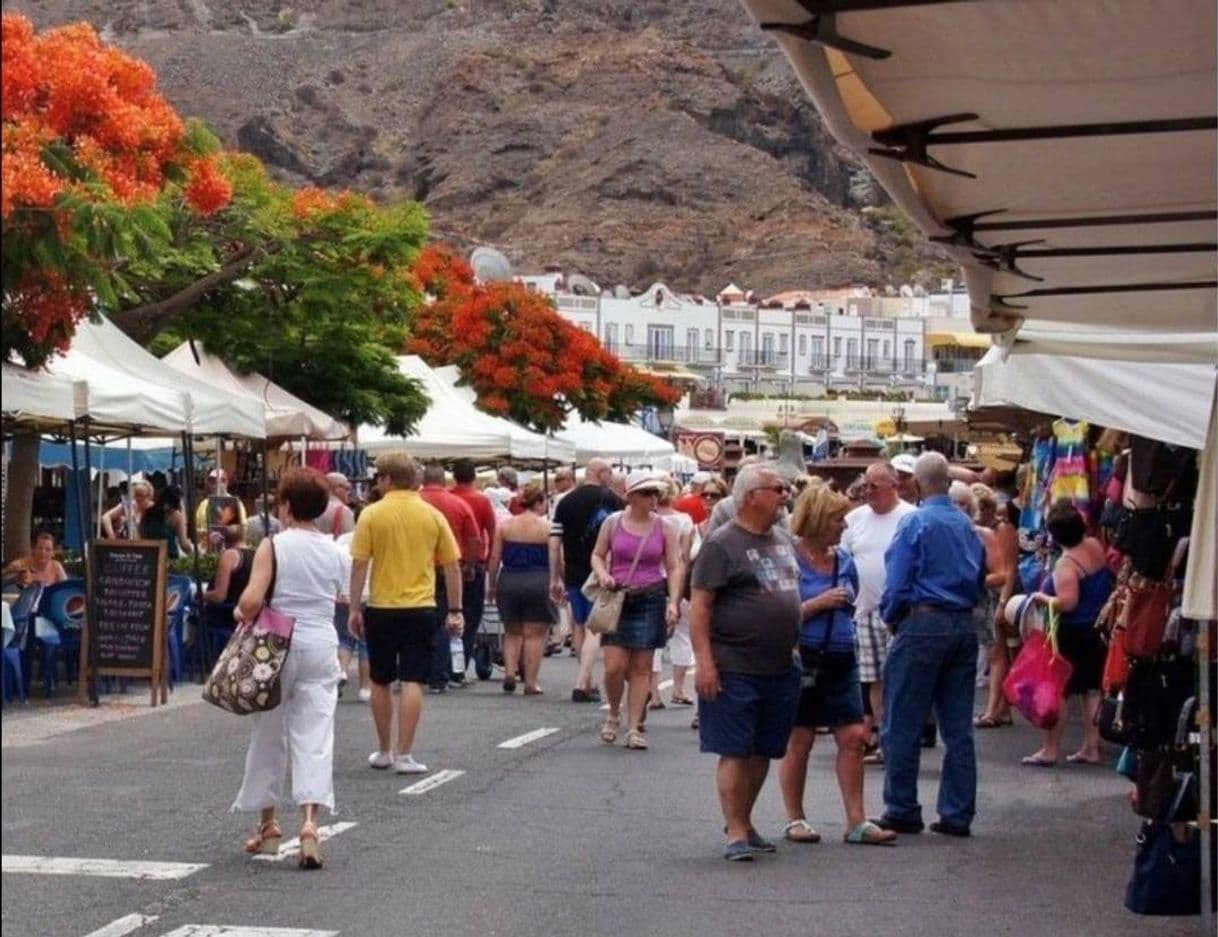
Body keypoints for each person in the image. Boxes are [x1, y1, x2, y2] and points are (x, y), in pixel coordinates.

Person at [231, 467, 345, 870]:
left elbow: (250, 602)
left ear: (288, 505)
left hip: (275, 644)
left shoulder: (274, 545)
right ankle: (310, 824)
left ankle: (269, 825)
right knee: (315, 734)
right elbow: (343, 596)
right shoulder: (335, 550)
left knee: (269, 733)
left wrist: (241, 609)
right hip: (320, 642)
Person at [690, 463, 802, 861]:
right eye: (779, 488)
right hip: (734, 663)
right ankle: (735, 830)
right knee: (735, 749)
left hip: (780, 665)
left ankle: (745, 819)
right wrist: (705, 663)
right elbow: (700, 606)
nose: (786, 495)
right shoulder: (722, 544)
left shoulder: (782, 540)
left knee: (763, 750)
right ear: (752, 496)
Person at [778, 485, 897, 846]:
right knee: (801, 738)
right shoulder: (789, 559)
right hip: (806, 655)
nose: (843, 525)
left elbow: (853, 596)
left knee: (854, 737)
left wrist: (835, 606)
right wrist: (819, 603)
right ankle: (795, 818)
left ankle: (856, 820)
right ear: (815, 519)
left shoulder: (843, 559)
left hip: (842, 653)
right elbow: (778, 615)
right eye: (835, 518)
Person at [876, 452, 985, 838]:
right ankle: (957, 812)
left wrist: (891, 615)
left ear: (918, 485)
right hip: (962, 622)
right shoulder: (966, 525)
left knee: (902, 720)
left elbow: (898, 579)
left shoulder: (916, 522)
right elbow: (980, 575)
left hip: (924, 621)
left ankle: (903, 807)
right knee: (958, 727)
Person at [347, 452, 462, 775]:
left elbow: (359, 564)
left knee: (381, 679)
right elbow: (451, 565)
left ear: (386, 479)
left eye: (378, 478)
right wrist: (455, 608)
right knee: (414, 679)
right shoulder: (432, 515)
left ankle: (384, 749)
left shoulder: (371, 515)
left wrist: (355, 607)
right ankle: (405, 753)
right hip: (421, 606)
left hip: (382, 606)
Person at [589, 471, 682, 749]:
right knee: (614, 666)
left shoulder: (665, 527)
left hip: (650, 596)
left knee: (642, 666)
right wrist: (603, 573)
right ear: (630, 497)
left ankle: (633, 728)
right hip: (618, 598)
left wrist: (674, 601)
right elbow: (597, 554)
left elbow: (674, 565)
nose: (654, 498)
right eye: (647, 493)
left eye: (656, 493)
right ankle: (614, 714)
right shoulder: (613, 522)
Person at [1023, 499, 1115, 766]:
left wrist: (1042, 597)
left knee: (1059, 690)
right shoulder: (1095, 546)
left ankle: (1050, 749)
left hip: (1074, 631)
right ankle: (1091, 747)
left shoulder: (1066, 563)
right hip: (1097, 627)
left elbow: (1068, 601)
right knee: (1092, 689)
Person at [841, 462, 916, 766]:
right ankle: (886, 742)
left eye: (874, 486)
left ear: (893, 485)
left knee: (901, 681)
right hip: (864, 610)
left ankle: (901, 742)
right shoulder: (854, 519)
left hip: (901, 612)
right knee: (874, 682)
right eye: (865, 486)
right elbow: (842, 560)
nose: (867, 492)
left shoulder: (911, 517)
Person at [549, 457, 623, 703]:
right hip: (604, 570)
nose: (611, 477)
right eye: (609, 472)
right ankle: (583, 681)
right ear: (600, 473)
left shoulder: (565, 501)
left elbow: (554, 542)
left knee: (579, 625)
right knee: (596, 627)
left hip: (574, 571)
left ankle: (586, 679)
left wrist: (555, 576)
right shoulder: (613, 500)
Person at [419, 463, 481, 692]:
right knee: (445, 621)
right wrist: (470, 565)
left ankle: (416, 674)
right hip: (448, 568)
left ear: (422, 480)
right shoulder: (459, 504)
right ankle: (439, 676)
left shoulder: (415, 503)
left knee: (418, 621)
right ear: (445, 481)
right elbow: (474, 539)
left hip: (418, 569)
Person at [487, 483, 553, 695]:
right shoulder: (548, 528)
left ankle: (509, 672)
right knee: (534, 634)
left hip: (510, 579)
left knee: (512, 631)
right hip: (538, 579)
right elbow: (557, 559)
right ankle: (531, 682)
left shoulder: (505, 526)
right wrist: (558, 582)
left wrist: (492, 584)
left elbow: (495, 557)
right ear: (539, 502)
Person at [973, 483, 1019, 728]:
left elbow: (1009, 569)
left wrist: (1003, 603)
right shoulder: (982, 530)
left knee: (997, 653)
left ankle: (992, 710)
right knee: (1000, 652)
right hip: (989, 594)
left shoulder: (1002, 529)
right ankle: (1002, 708)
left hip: (1001, 594)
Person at [450, 458, 497, 681]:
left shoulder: (449, 498)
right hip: (473, 564)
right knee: (470, 615)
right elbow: (491, 531)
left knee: (446, 614)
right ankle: (459, 666)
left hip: (446, 562)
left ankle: (444, 662)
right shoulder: (481, 500)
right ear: (474, 476)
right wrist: (489, 561)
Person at [654, 475, 695, 706]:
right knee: (682, 635)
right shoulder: (684, 520)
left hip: (653, 581)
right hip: (678, 582)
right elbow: (686, 558)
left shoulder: (649, 520)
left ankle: (654, 692)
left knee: (654, 639)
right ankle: (678, 688)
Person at [202, 525, 254, 608]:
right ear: (244, 538)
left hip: (227, 612)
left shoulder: (230, 555)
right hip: (248, 611)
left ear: (225, 541)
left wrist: (200, 595)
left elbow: (219, 596)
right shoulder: (255, 554)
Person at [196, 469, 247, 548]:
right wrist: (204, 533)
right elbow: (196, 529)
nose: (213, 485)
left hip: (228, 548)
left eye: (216, 481)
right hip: (206, 548)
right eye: (211, 482)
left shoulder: (235, 503)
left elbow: (242, 530)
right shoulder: (203, 504)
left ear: (225, 482)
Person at [139, 485, 193, 559]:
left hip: (149, 557)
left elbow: (142, 534)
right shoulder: (176, 516)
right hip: (169, 558)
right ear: (177, 501)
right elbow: (183, 544)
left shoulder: (147, 512)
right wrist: (194, 556)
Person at [3, 531, 68, 587]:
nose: (43, 552)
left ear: (53, 553)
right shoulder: (21, 564)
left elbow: (66, 588)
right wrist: (9, 571)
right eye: (40, 548)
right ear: (33, 550)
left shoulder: (56, 566)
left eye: (48, 549)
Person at [314, 473, 355, 538]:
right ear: (337, 488)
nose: (349, 492)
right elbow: (350, 540)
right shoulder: (344, 511)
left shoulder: (313, 508)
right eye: (347, 488)